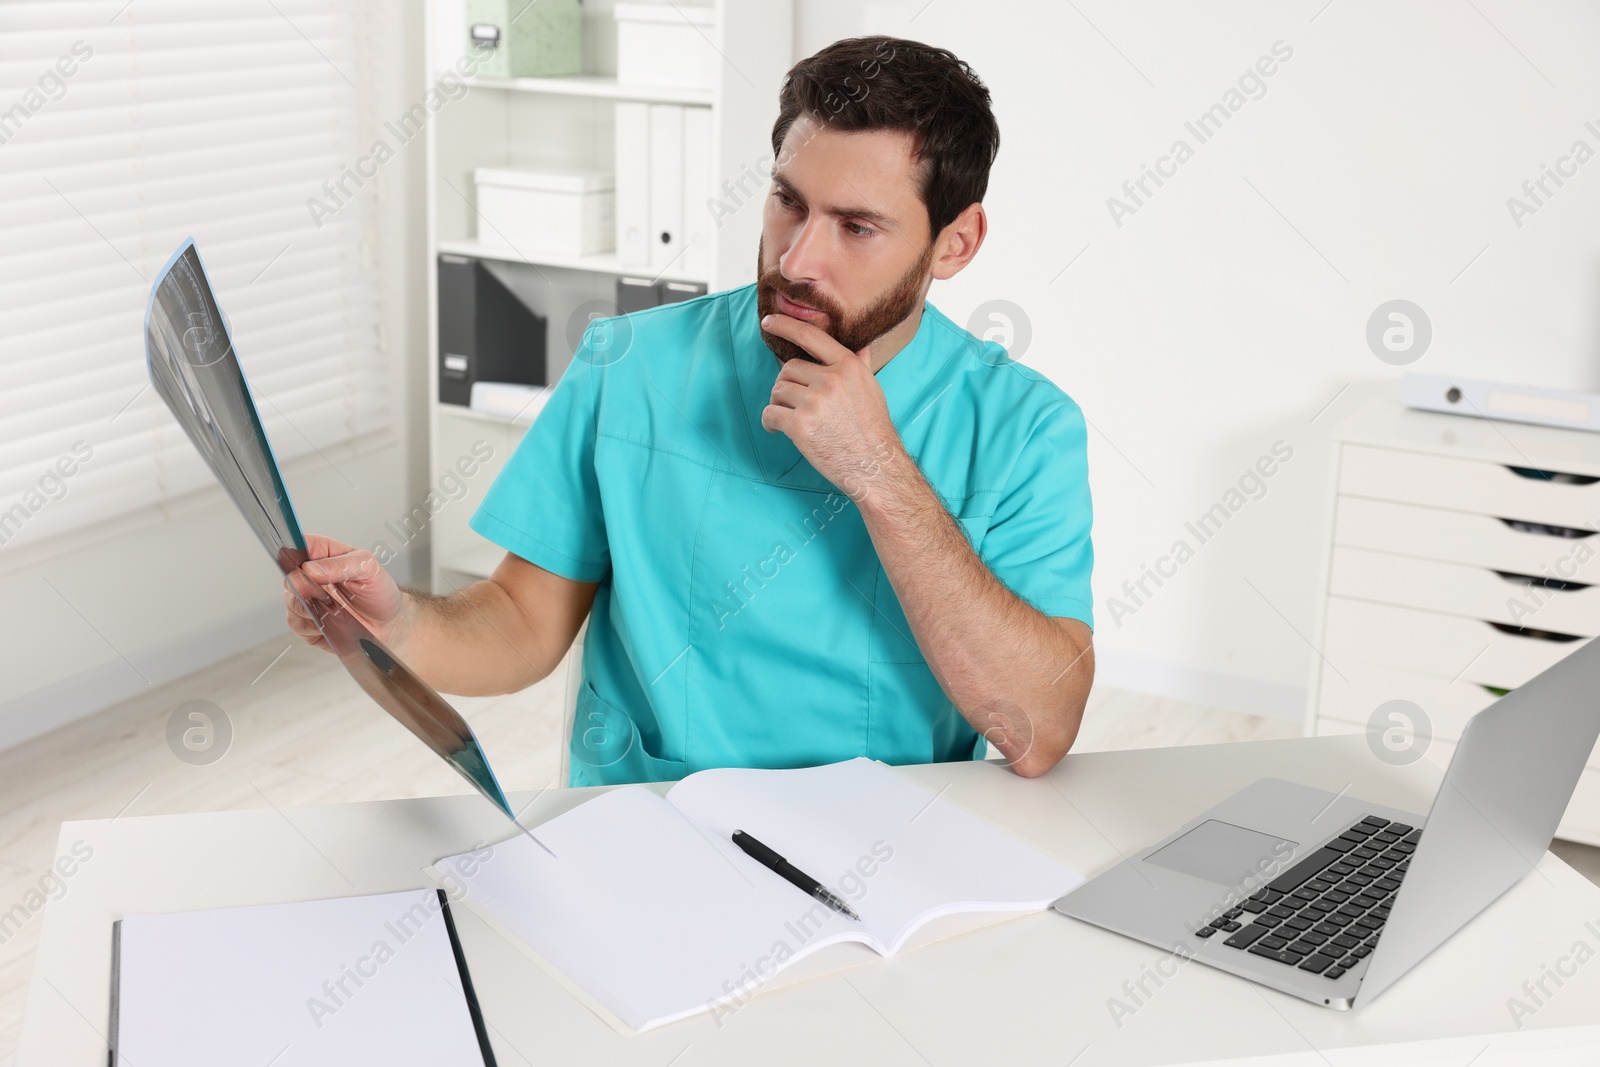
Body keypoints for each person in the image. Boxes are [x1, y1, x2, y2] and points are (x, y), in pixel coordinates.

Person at [286, 35, 1095, 787]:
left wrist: (879, 473)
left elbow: (1039, 730)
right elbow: (522, 620)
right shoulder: (630, 365)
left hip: (877, 855)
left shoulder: (1025, 429)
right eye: (788, 201)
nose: (797, 260)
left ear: (953, 245)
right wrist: (394, 624)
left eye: (857, 226)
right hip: (647, 824)